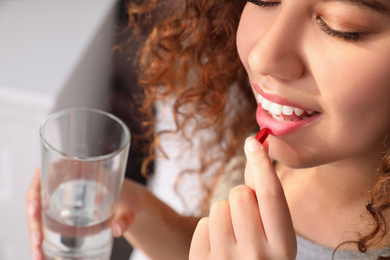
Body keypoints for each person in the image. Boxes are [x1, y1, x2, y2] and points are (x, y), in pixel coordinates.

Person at [26, 0, 390, 259]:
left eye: (342, 28)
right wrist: (134, 205)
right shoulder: (268, 145)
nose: (264, 55)